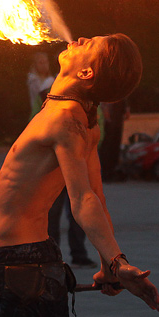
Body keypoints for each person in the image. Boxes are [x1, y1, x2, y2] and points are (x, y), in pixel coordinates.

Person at [0, 34, 159, 317]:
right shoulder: (81, 120)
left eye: (91, 44)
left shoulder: (65, 119)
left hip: (21, 269)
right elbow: (97, 198)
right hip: (32, 263)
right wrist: (108, 269)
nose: (80, 38)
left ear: (86, 73)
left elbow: (84, 200)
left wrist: (117, 262)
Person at [29, 51, 97, 268]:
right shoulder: (49, 97)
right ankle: (51, 254)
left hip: (78, 159)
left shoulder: (88, 96)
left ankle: (77, 253)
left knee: (78, 207)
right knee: (53, 210)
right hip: (53, 163)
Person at [98, 96, 130, 181]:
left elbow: (123, 96)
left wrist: (126, 108)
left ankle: (112, 171)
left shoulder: (121, 88)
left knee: (115, 145)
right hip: (110, 118)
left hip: (117, 117)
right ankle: (106, 173)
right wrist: (106, 112)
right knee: (108, 145)